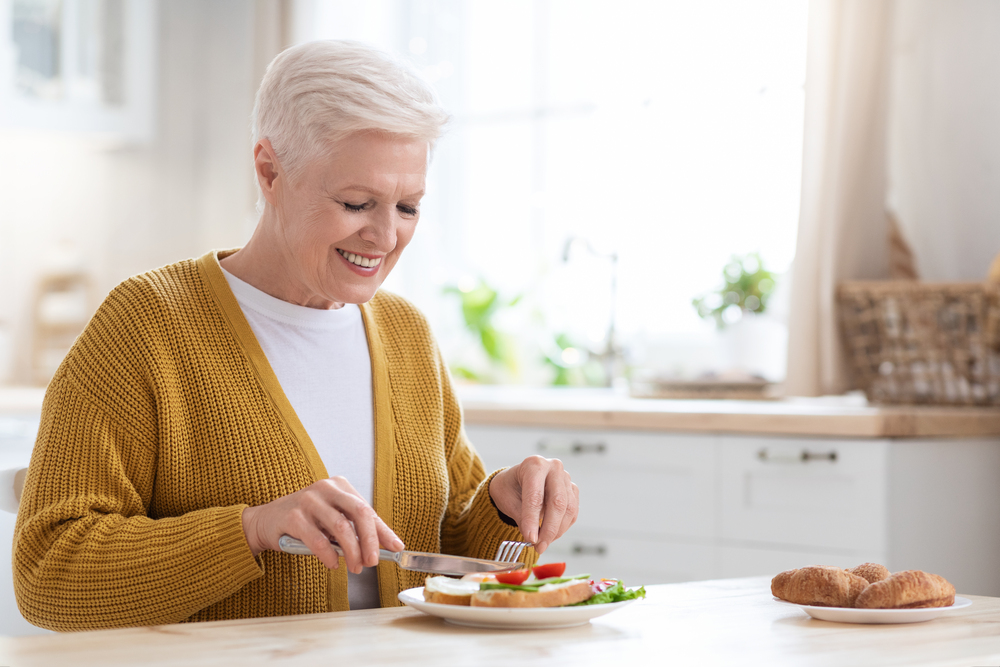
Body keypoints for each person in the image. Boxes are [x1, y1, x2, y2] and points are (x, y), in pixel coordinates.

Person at [13, 40, 579, 631]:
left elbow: (446, 538)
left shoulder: (404, 332)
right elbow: (49, 575)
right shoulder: (146, 326)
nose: (385, 237)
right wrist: (252, 529)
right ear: (270, 172)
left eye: (408, 207)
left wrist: (504, 505)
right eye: (357, 203)